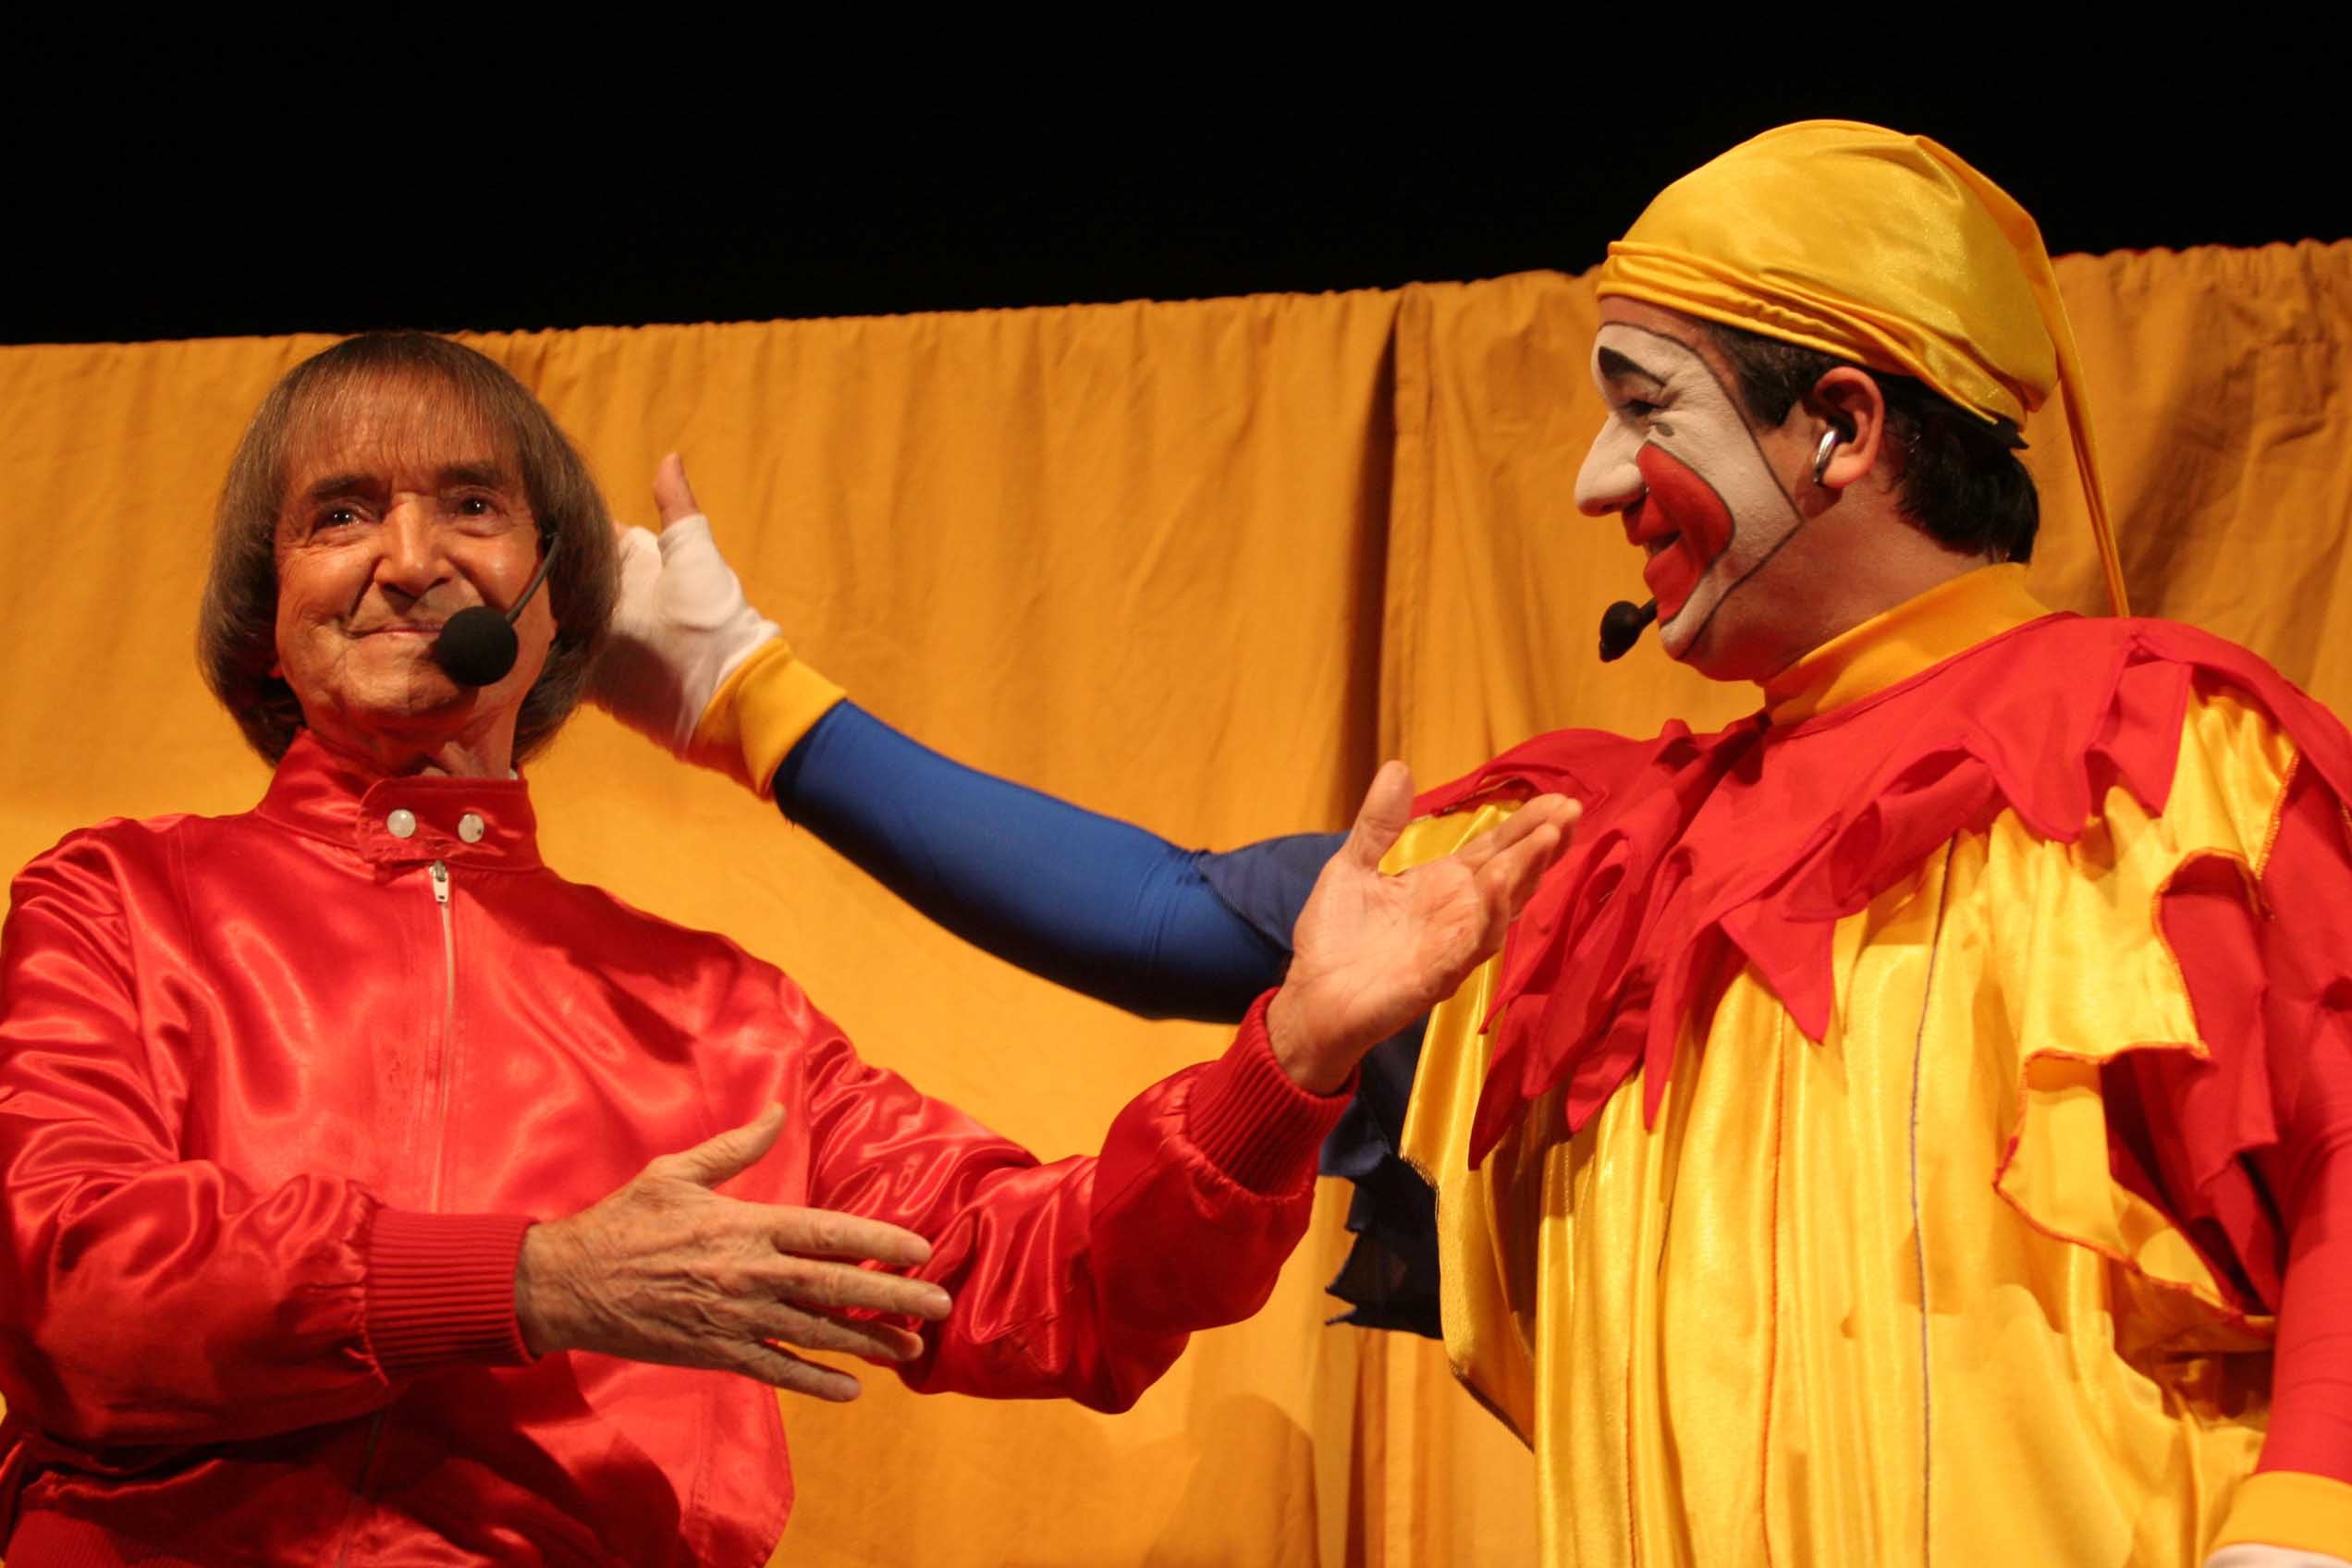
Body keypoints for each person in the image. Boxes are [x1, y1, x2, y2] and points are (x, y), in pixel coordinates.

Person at [590, 124, 2352, 1566]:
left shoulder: (2161, 754)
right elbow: (1164, 916)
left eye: (1645, 406)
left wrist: (2305, 1529)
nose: (1595, 483)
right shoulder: (1587, 852)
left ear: (1842, 428)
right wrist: (744, 696)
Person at [0, 332, 1574, 1564]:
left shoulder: (719, 1015)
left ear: (559, 606)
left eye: (470, 506)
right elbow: (72, 1281)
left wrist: (1291, 1062)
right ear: (265, 611)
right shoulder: (118, 901)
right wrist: (534, 1280)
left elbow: (1057, 1283)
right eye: (341, 516)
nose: (409, 557)